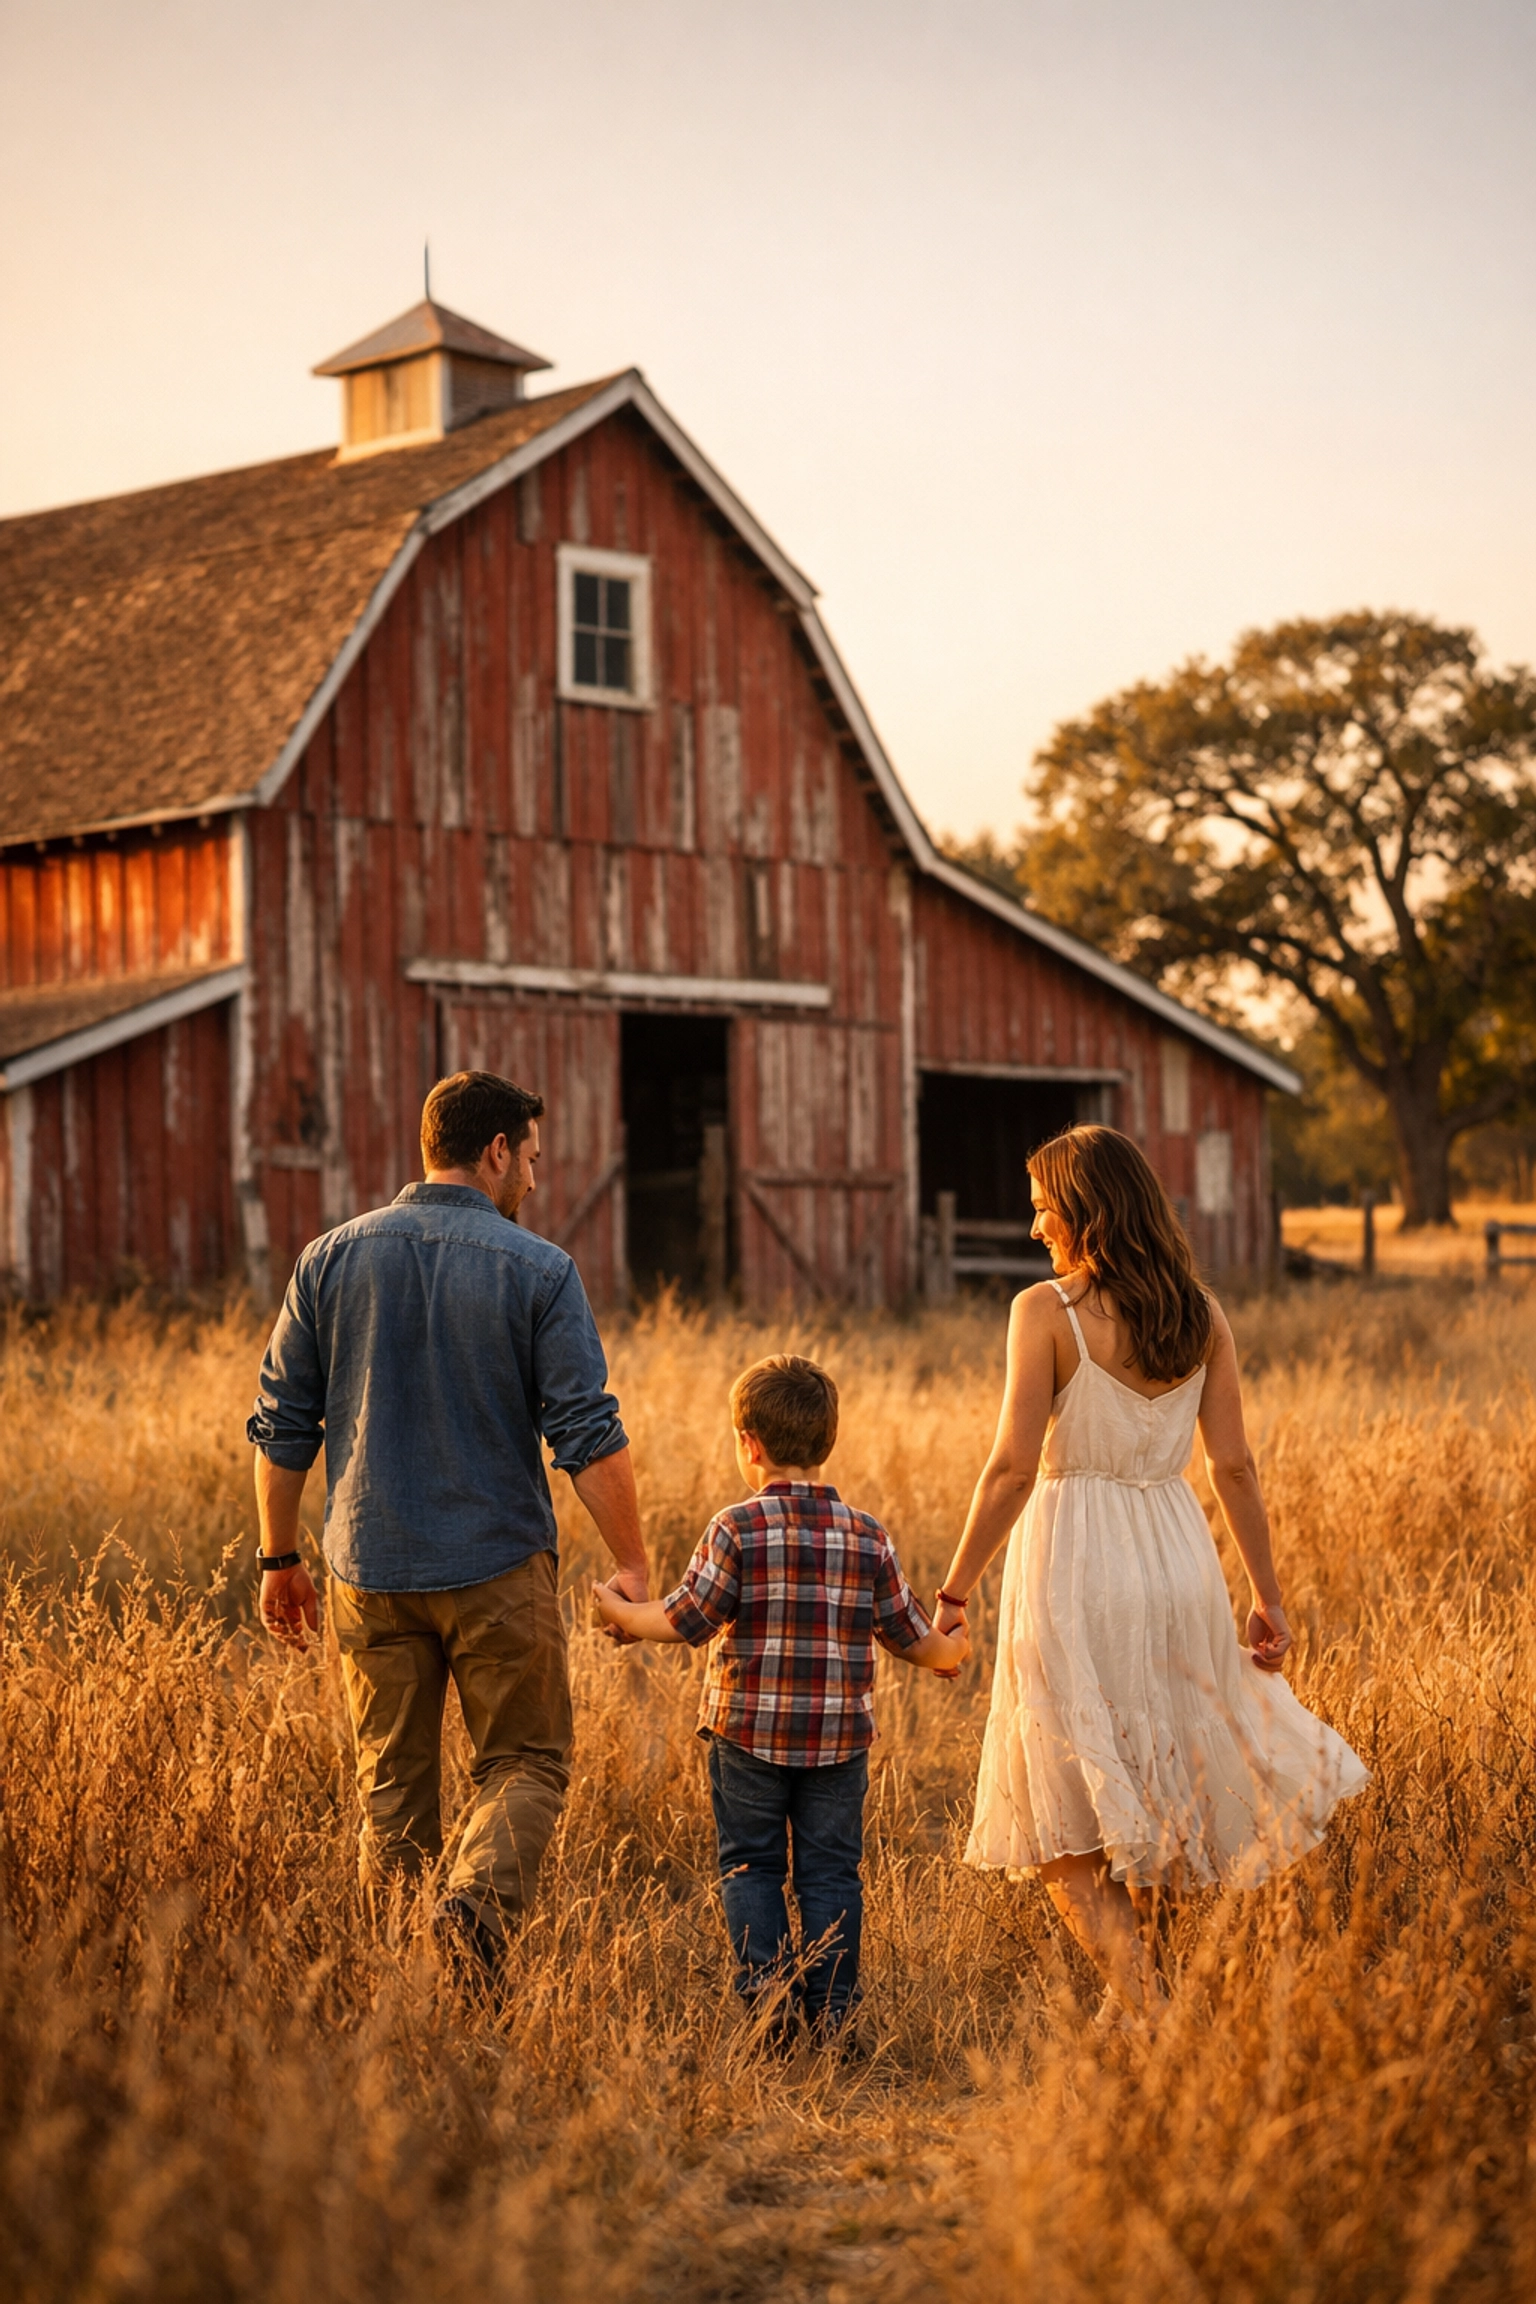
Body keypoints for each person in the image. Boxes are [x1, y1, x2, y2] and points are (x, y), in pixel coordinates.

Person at [934, 1125, 1367, 2016]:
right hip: (1178, 1556)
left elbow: (1015, 1465)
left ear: (1086, 1213)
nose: (1033, 1230)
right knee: (1161, 1788)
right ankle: (1141, 2013)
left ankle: (1144, 2007)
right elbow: (1235, 1467)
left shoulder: (1045, 1312)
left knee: (1062, 1823)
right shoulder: (1201, 1316)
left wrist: (953, 1589)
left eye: (1044, 1210)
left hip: (1075, 1557)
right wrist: (1267, 1597)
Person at [247, 1069, 649, 1974]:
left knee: (391, 1789)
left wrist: (279, 1557)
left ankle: (405, 1986)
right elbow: (587, 1434)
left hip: (368, 1569)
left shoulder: (328, 1258)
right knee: (527, 1763)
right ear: (496, 1150)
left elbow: (281, 1425)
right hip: (496, 1567)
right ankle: (473, 1912)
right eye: (531, 1159)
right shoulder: (540, 1269)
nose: (535, 1183)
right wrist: (635, 1568)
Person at [593, 1353, 969, 2042]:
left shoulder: (735, 1527)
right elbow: (913, 1639)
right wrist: (956, 1648)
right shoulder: (866, 1534)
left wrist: (615, 1611)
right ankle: (834, 2015)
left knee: (751, 1865)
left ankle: (770, 2011)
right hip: (836, 1744)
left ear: (749, 1443)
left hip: (747, 1738)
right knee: (831, 1875)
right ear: (828, 1441)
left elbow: (683, 1620)